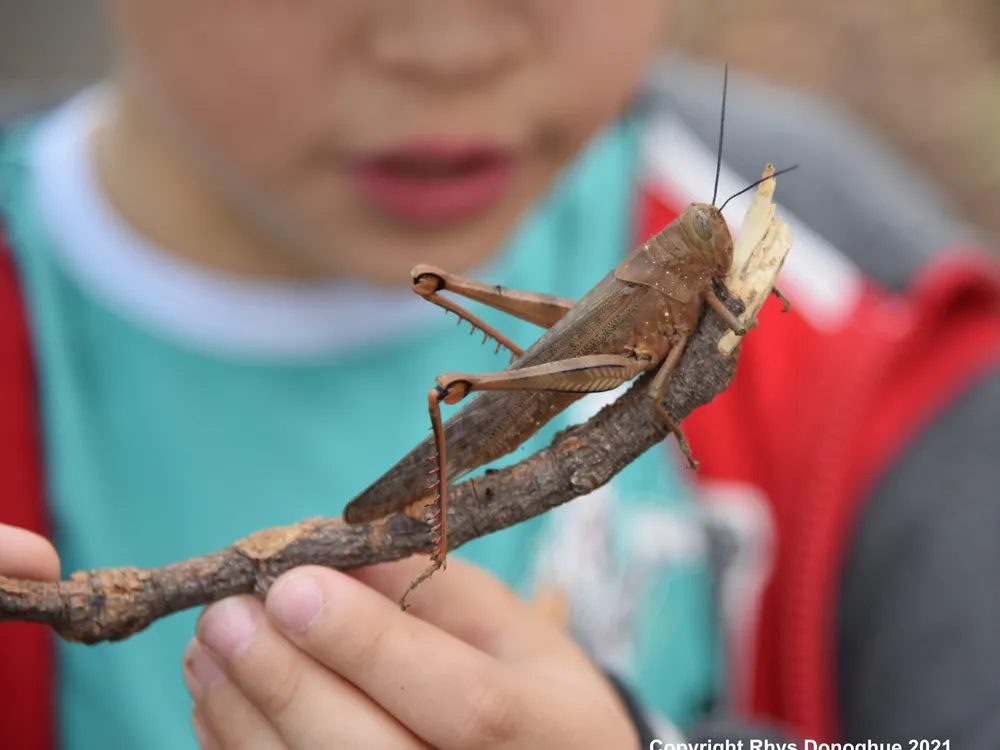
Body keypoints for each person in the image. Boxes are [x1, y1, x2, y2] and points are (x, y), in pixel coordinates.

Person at [2, 3, 1000, 749]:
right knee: (476, 386)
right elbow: (644, 353)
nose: (449, 44)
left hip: (592, 361)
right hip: (549, 378)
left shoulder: (892, 345)